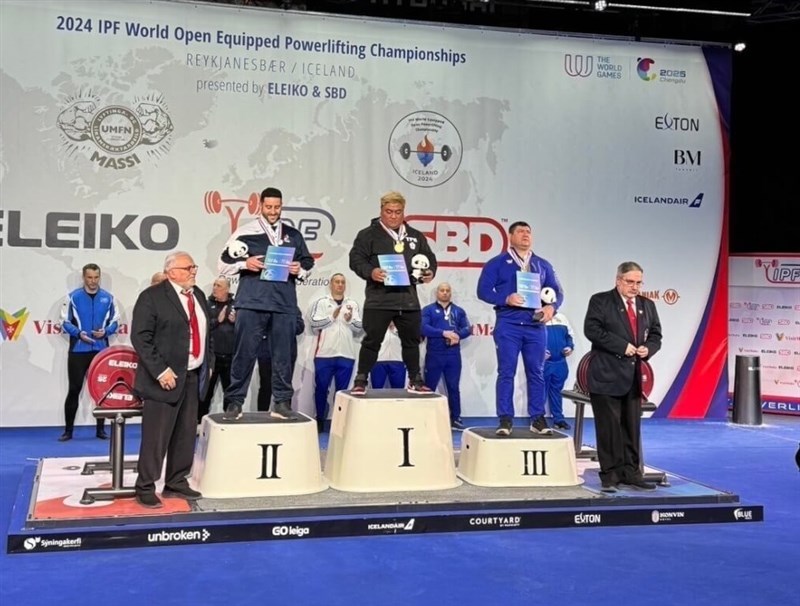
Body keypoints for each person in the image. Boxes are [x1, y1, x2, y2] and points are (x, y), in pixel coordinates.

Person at [219, 187, 314, 421]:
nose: (273, 211)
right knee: (244, 354)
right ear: (260, 206)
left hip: (283, 304)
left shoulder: (293, 234)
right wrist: (245, 263)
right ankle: (234, 402)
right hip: (252, 302)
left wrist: (298, 269)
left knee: (284, 356)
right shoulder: (245, 232)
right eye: (269, 207)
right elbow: (222, 264)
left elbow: (309, 263)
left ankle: (281, 402)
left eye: (277, 207)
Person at [131, 252, 213, 509]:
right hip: (163, 379)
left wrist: (206, 363)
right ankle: (145, 486)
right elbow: (140, 338)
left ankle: (176, 481)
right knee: (156, 437)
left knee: (186, 435)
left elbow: (204, 333)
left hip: (192, 377)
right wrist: (161, 371)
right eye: (188, 267)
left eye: (194, 266)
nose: (193, 271)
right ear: (171, 272)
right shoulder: (151, 297)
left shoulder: (197, 295)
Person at [477, 221, 564, 436]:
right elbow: (483, 291)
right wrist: (505, 298)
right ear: (510, 236)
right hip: (509, 324)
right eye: (520, 231)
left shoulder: (542, 264)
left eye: (528, 231)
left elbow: (557, 292)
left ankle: (538, 419)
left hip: (535, 326)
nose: (525, 235)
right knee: (506, 372)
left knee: (537, 372)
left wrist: (552, 307)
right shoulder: (497, 263)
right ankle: (505, 419)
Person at [584, 261, 662, 493]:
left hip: (633, 378)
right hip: (606, 375)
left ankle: (632, 473)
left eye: (639, 282)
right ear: (618, 280)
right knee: (608, 428)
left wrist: (649, 348)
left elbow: (656, 333)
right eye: (630, 282)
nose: (635, 287)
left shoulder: (647, 305)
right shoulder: (600, 301)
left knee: (632, 428)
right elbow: (593, 330)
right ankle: (610, 475)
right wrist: (623, 347)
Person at [349, 191, 437, 395]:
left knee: (411, 342)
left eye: (398, 212)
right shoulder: (367, 235)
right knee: (371, 341)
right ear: (381, 210)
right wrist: (370, 272)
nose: (394, 216)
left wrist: (430, 271)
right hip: (379, 299)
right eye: (389, 212)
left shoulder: (415, 235)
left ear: (403, 211)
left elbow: (429, 258)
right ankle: (361, 379)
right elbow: (356, 260)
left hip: (408, 300)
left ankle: (415, 379)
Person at [58, 263, 120, 441]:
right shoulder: (72, 297)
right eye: (89, 277)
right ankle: (68, 431)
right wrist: (79, 334)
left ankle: (101, 430)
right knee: (74, 389)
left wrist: (106, 332)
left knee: (101, 392)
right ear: (84, 277)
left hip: (100, 352)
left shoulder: (108, 298)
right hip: (78, 351)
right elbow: (63, 322)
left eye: (96, 277)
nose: (93, 281)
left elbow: (115, 321)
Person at [309, 274, 363, 432]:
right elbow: (314, 323)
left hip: (346, 355)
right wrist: (331, 318)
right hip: (324, 355)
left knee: (342, 393)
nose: (340, 285)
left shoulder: (352, 303)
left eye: (342, 282)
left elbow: (359, 327)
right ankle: (319, 420)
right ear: (331, 284)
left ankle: (339, 424)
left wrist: (349, 320)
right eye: (337, 282)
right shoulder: (322, 302)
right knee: (321, 389)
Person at [422, 282, 472, 429]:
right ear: (437, 293)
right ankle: (426, 417)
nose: (445, 293)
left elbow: (467, 328)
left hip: (453, 355)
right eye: (442, 290)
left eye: (447, 290)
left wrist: (456, 335)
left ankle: (456, 418)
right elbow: (423, 328)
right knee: (428, 388)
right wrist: (443, 333)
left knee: (453, 387)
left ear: (451, 293)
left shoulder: (459, 311)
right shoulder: (428, 310)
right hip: (434, 354)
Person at [198, 277, 235, 423]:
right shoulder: (207, 305)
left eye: (218, 285)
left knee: (231, 394)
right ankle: (199, 422)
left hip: (231, 357)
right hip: (212, 358)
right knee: (205, 393)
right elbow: (202, 329)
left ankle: (230, 422)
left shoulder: (236, 305)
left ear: (227, 289)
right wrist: (216, 321)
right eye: (214, 285)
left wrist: (237, 322)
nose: (214, 288)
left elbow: (246, 331)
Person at [257, 310, 305, 413]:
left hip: (287, 353)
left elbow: (300, 327)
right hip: (266, 353)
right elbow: (258, 326)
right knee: (265, 386)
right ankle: (261, 415)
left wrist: (284, 326)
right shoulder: (264, 307)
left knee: (285, 385)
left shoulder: (292, 307)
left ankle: (285, 413)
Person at [544, 307, 575, 431]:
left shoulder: (562, 318)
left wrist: (569, 347)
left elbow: (569, 336)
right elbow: (531, 339)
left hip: (560, 363)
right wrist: (539, 352)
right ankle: (537, 419)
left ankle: (558, 419)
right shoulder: (537, 318)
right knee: (539, 392)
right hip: (543, 363)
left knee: (557, 391)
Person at [370, 323, 406, 389]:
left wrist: (395, 329)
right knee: (376, 391)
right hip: (378, 359)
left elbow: (409, 335)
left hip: (398, 359)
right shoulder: (376, 316)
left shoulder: (403, 317)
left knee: (399, 392)